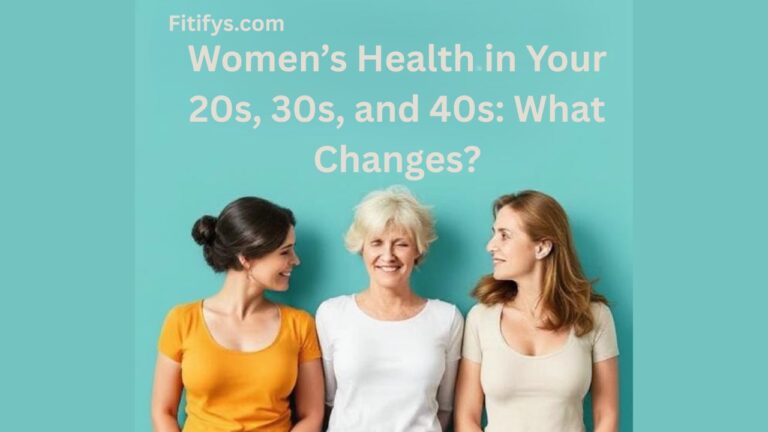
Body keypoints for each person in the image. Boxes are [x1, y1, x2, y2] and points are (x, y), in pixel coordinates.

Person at [151, 197, 324, 432]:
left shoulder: (300, 325)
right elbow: (163, 411)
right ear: (246, 258)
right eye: (285, 252)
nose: (296, 260)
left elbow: (312, 415)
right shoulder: (182, 320)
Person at [454, 191, 619, 432]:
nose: (490, 246)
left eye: (505, 235)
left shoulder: (595, 316)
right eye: (494, 234)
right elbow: (466, 417)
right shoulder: (481, 318)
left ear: (542, 247)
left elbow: (607, 415)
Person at [316, 186, 464, 432]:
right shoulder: (332, 314)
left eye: (401, 244)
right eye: (376, 243)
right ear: (362, 248)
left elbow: (446, 407)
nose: (388, 255)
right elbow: (331, 400)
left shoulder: (446, 318)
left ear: (418, 250)